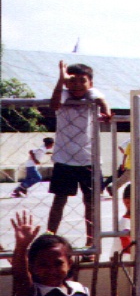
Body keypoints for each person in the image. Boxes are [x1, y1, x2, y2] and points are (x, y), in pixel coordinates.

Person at [47, 61, 111, 245]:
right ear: (66, 83)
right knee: (59, 202)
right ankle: (49, 239)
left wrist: (106, 112)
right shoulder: (63, 95)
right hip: (64, 159)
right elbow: (53, 105)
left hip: (89, 159)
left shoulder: (92, 94)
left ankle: (91, 243)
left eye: (82, 81)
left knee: (90, 204)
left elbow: (102, 101)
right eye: (72, 80)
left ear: (90, 83)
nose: (76, 85)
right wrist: (61, 79)